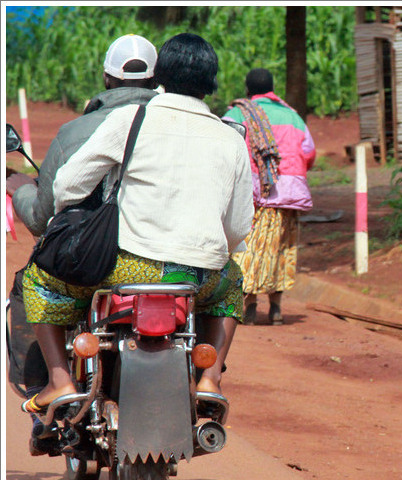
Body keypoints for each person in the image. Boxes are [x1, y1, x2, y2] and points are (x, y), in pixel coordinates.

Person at [20, 32, 253, 415]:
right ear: (212, 83)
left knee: (38, 281)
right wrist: (207, 254)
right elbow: (239, 226)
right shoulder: (229, 137)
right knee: (231, 288)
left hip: (122, 267)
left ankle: (60, 382)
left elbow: (68, 186)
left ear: (159, 74)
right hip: (194, 277)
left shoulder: (132, 119)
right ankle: (209, 379)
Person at [6, 33, 159, 455]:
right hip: (171, 266)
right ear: (155, 79)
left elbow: (42, 215)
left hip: (91, 269)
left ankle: (53, 385)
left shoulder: (77, 131)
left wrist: (20, 189)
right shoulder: (179, 128)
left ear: (107, 78)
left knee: (33, 286)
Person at [223, 68, 316, 325]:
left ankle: (250, 306)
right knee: (281, 250)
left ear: (247, 90)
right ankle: (276, 308)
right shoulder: (293, 117)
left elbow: (222, 150)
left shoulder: (236, 115)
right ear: (272, 88)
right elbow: (308, 152)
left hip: (252, 197)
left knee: (249, 249)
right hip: (287, 196)